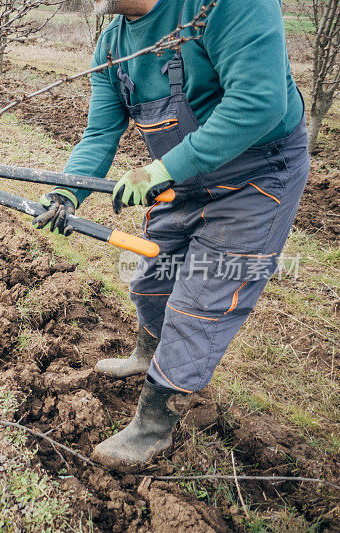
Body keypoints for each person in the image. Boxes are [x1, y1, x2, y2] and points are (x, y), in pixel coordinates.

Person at [33, 0, 308, 472]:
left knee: (201, 303)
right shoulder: (112, 44)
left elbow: (259, 102)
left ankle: (154, 425)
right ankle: (146, 356)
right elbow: (100, 133)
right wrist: (65, 193)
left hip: (256, 176)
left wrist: (162, 169)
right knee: (151, 280)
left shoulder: (223, 6)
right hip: (182, 177)